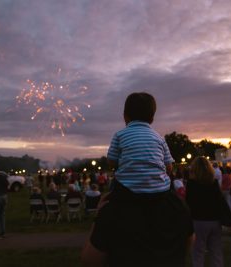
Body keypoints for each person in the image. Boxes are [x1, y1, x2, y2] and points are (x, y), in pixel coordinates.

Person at [82, 92, 193, 266]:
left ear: (125, 116)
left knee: (108, 203)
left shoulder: (120, 135)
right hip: (161, 190)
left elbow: (112, 160)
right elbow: (169, 166)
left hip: (126, 189)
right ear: (152, 118)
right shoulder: (159, 138)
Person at [186, 157, 231, 267]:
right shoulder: (214, 183)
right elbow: (221, 202)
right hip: (215, 221)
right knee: (216, 251)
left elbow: (188, 203)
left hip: (199, 221)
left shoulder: (191, 184)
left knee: (198, 252)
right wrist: (230, 221)